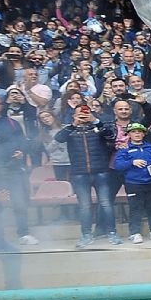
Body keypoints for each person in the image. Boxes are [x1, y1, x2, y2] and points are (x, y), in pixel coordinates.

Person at [56, 104, 120, 246]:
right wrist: (74, 124)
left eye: (86, 113)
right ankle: (86, 235)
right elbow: (59, 138)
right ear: (74, 115)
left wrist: (95, 120)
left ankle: (112, 233)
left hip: (101, 172)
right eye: (80, 114)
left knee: (106, 204)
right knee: (85, 206)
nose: (83, 116)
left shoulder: (98, 127)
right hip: (79, 173)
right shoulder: (70, 130)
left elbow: (111, 135)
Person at [0, 95, 36, 244]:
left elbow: (23, 142)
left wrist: (21, 152)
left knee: (19, 202)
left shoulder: (11, 123)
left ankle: (23, 234)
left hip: (13, 169)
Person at [112, 122, 151, 243]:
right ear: (129, 134)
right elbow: (118, 166)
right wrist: (132, 162)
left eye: (139, 132)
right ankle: (134, 233)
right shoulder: (125, 149)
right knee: (135, 208)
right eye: (134, 132)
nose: (137, 134)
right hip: (133, 184)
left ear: (144, 134)